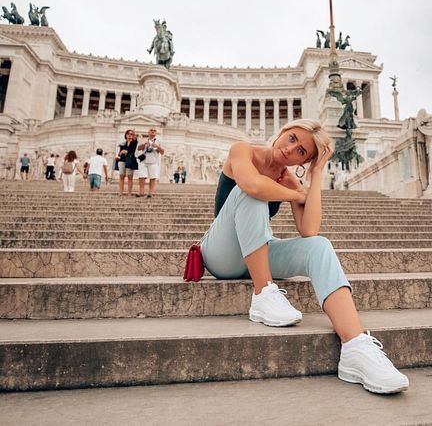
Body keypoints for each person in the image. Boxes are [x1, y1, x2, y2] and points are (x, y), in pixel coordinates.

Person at [200, 119, 409, 395]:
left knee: (319, 246)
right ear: (283, 131)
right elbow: (252, 185)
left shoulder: (290, 178)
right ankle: (264, 294)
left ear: (304, 161)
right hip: (221, 254)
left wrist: (316, 173)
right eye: (292, 138)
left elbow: (309, 229)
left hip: (256, 251)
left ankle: (356, 346)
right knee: (251, 192)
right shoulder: (243, 150)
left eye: (302, 152)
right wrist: (295, 193)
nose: (291, 149)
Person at [137, 127, 165, 197]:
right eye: (151, 130)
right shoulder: (144, 140)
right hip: (143, 161)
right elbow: (138, 148)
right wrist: (145, 144)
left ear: (156, 133)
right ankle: (141, 192)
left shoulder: (158, 141)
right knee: (141, 176)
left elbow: (162, 152)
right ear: (148, 132)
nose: (152, 132)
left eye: (154, 131)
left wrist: (157, 146)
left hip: (153, 161)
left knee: (152, 177)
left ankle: (150, 193)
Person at [116, 129, 138, 196]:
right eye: (128, 134)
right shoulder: (122, 143)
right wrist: (120, 153)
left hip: (130, 161)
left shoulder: (134, 143)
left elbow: (132, 151)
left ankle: (129, 193)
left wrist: (125, 151)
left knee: (130, 177)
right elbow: (119, 153)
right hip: (122, 160)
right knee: (121, 176)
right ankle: (121, 192)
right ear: (126, 135)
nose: (129, 135)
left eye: (131, 134)